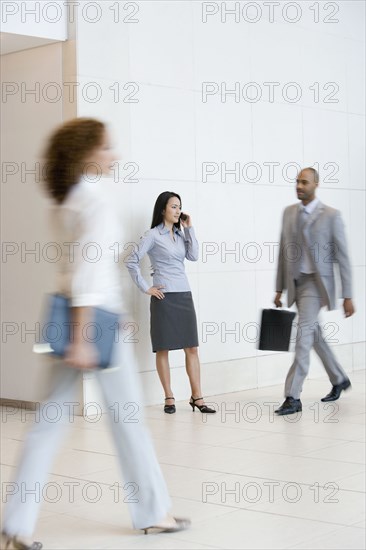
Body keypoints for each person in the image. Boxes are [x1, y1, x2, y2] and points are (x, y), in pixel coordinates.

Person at [1, 118, 190, 550]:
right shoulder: (96, 201)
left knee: (47, 423)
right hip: (93, 319)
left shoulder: (64, 202)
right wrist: (88, 334)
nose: (113, 155)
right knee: (128, 421)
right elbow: (90, 273)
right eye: (107, 148)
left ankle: (15, 525)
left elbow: (77, 271)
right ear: (88, 154)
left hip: (61, 313)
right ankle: (153, 513)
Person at [274, 167, 355, 416]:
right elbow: (282, 252)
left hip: (316, 286)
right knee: (313, 334)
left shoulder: (331, 215)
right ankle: (339, 378)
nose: (299, 185)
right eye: (297, 181)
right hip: (296, 283)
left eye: (304, 182)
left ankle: (292, 396)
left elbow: (343, 257)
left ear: (316, 184)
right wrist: (279, 289)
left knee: (302, 338)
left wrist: (347, 296)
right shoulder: (289, 213)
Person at [126, 192, 215, 415]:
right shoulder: (152, 235)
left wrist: (189, 228)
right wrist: (146, 287)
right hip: (164, 298)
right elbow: (131, 260)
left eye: (179, 207)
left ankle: (197, 397)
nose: (177, 211)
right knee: (163, 349)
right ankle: (169, 397)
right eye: (173, 207)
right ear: (163, 209)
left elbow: (193, 256)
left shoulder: (181, 233)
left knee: (192, 348)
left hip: (184, 295)